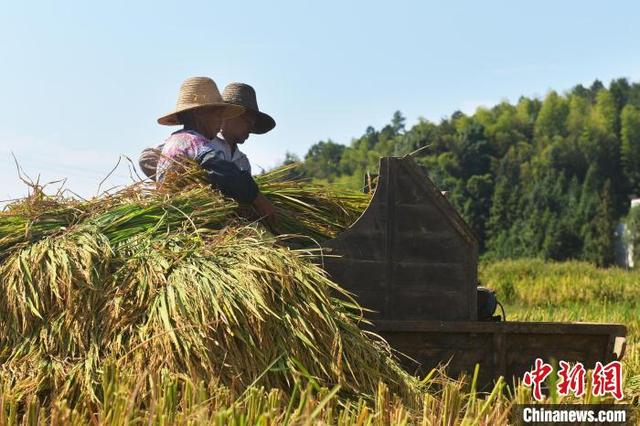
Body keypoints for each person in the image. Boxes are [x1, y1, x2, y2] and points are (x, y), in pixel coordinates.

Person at [146, 76, 275, 221]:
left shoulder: (178, 138)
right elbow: (220, 169)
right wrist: (257, 198)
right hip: (183, 217)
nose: (221, 120)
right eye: (218, 113)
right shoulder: (191, 141)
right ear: (199, 113)